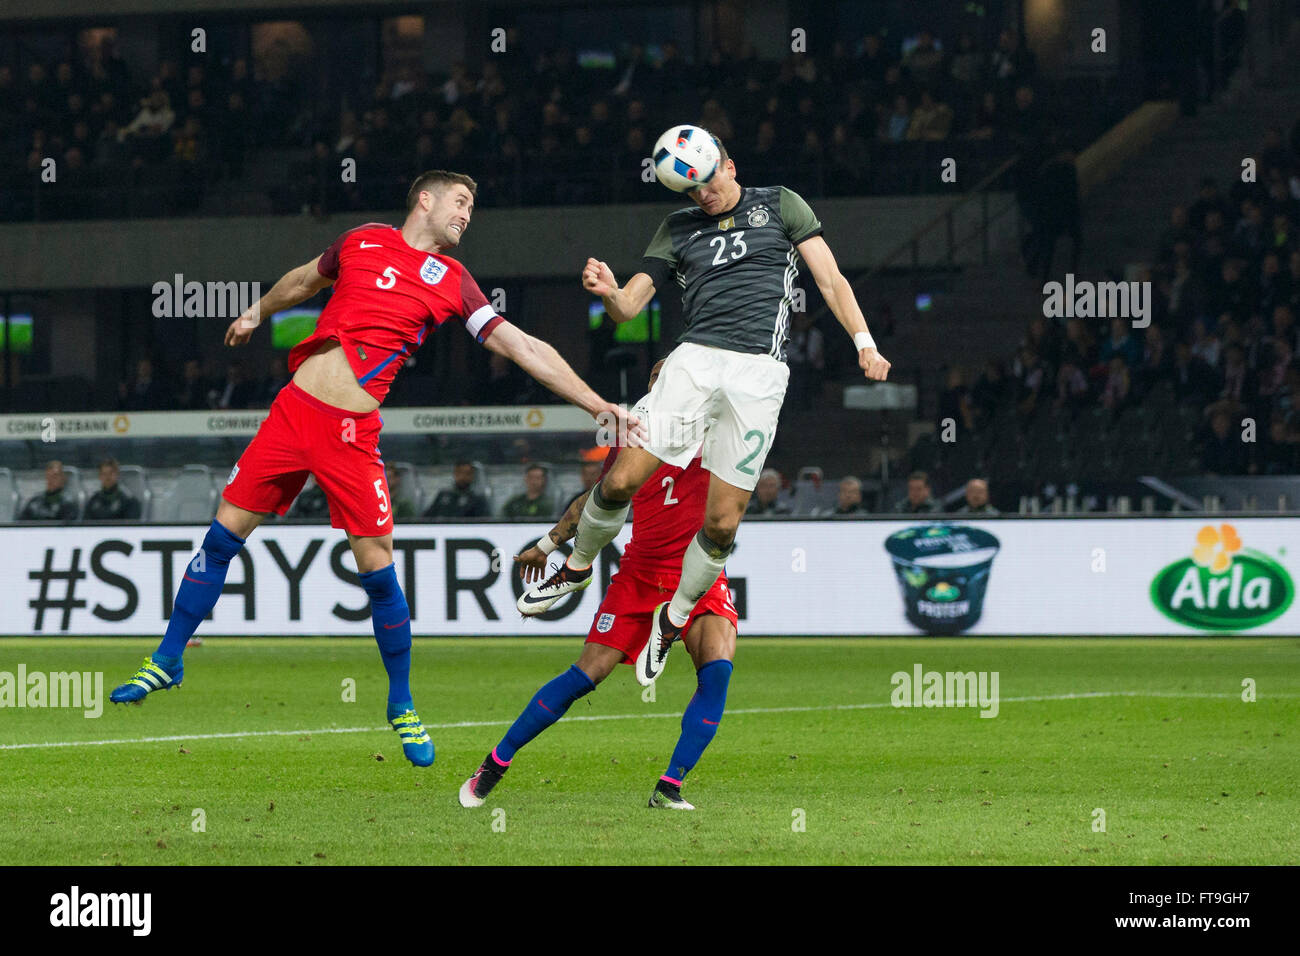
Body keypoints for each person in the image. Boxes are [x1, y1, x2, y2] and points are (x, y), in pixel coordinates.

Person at [108, 168, 638, 769]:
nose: (468, 213)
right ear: (425, 199)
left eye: (474, 206)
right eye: (461, 201)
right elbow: (306, 279)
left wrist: (598, 405)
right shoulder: (361, 239)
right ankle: (169, 657)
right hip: (292, 413)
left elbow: (523, 347)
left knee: (377, 567)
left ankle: (402, 703)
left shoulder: (454, 280)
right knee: (222, 535)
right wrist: (256, 311)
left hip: (350, 433)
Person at [519, 130, 889, 686]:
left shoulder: (781, 203)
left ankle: (672, 620)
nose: (704, 195)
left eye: (709, 181)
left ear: (730, 165)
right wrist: (610, 290)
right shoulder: (677, 228)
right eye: (691, 190)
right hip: (693, 362)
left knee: (721, 522)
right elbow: (629, 307)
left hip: (759, 374)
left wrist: (864, 342)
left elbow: (829, 279)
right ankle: (574, 566)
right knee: (621, 481)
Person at [460, 360, 738, 811]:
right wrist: (548, 544)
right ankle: (495, 762)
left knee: (718, 672)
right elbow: (599, 501)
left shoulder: (723, 428)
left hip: (698, 576)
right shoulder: (633, 436)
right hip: (640, 577)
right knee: (586, 676)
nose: (666, 385)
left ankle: (669, 786)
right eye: (658, 378)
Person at [424, 460, 488, 518]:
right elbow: (426, 517)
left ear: (472, 476)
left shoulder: (477, 499)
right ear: (454, 474)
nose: (462, 477)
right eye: (459, 472)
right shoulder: (443, 495)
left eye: (467, 474)